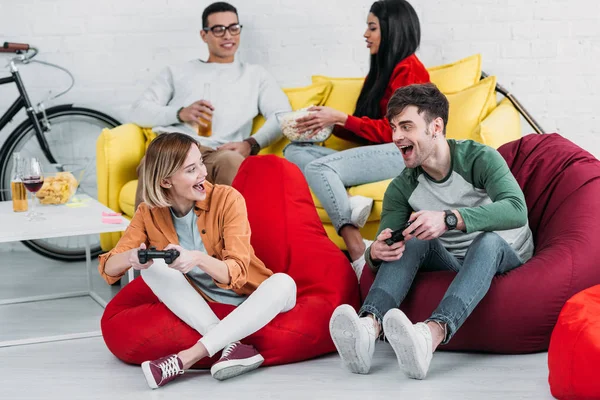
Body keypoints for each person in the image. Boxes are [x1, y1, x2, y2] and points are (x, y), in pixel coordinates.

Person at [329, 83, 534, 379]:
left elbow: (516, 209)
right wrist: (375, 251)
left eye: (406, 126)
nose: (396, 136)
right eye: (394, 127)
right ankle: (368, 328)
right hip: (454, 264)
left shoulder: (478, 159)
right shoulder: (402, 187)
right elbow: (384, 250)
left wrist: (450, 219)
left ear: (435, 126)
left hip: (506, 256)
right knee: (409, 239)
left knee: (487, 241)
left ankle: (431, 335)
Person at [98, 133, 297, 389]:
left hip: (253, 296)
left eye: (201, 163)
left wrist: (197, 260)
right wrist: (131, 257)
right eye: (192, 170)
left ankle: (184, 359)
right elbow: (108, 268)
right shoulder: (149, 212)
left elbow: (236, 272)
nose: (203, 173)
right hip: (207, 305)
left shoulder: (227, 199)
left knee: (284, 283)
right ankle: (233, 348)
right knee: (153, 267)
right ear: (166, 181)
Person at [283, 0, 430, 280]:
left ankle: (355, 249)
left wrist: (340, 117)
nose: (365, 34)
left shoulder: (410, 70)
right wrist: (326, 124)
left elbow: (397, 131)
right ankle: (349, 201)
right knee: (294, 150)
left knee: (319, 168)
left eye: (372, 27)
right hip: (378, 152)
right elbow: (363, 131)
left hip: (402, 150)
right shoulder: (380, 71)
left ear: (392, 30)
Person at [130, 1, 291, 209]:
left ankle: (227, 239)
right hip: (179, 148)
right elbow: (138, 110)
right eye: (218, 29)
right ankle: (147, 239)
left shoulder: (255, 75)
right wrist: (180, 113)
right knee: (157, 160)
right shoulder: (178, 71)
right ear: (204, 35)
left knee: (232, 161)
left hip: (220, 151)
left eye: (233, 28)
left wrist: (250, 144)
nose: (227, 35)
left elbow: (283, 115)